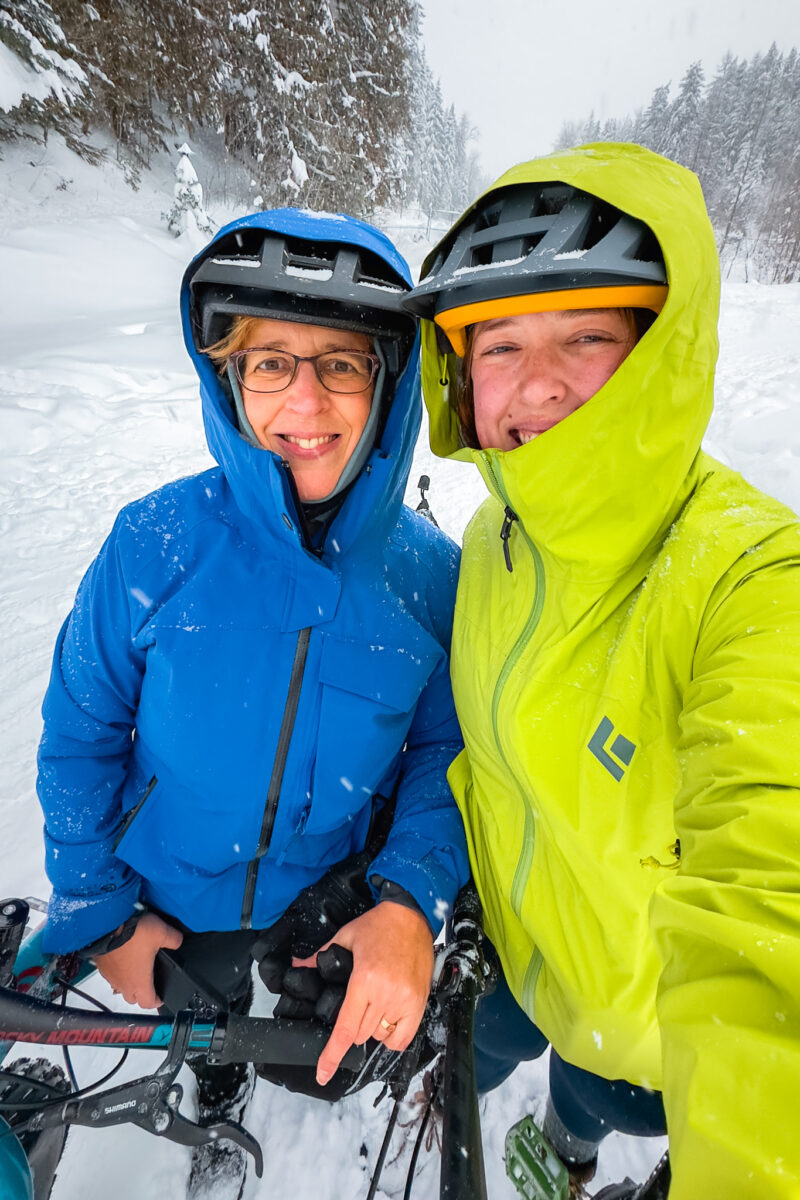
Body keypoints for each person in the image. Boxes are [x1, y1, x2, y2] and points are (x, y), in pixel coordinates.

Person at [36, 209, 469, 1196]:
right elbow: (79, 735)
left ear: (387, 382)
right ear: (227, 377)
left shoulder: (430, 583)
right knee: (206, 1021)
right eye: (269, 362)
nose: (303, 401)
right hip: (167, 899)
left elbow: (443, 761)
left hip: (317, 907)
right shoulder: (152, 545)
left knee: (282, 1032)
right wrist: (101, 915)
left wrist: (406, 899)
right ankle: (214, 1076)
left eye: (341, 365)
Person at [403, 142, 800, 1199]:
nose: (534, 385)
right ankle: (530, 1135)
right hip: (510, 964)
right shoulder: (493, 532)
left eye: (586, 336)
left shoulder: (753, 581)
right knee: (507, 1088)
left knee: (602, 1099)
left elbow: (771, 921)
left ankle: (586, 1158)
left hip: (639, 1024)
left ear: (659, 351)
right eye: (498, 346)